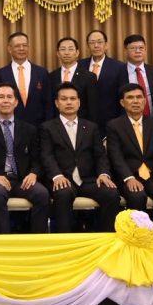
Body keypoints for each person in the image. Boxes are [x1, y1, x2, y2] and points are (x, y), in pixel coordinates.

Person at [39, 82, 120, 233]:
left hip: (88, 180)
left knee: (111, 193)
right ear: (56, 103)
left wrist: (103, 174)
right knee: (63, 193)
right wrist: (57, 176)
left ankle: (106, 239)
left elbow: (100, 155)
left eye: (72, 98)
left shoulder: (91, 127)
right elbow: (46, 155)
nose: (69, 102)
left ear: (79, 102)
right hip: (62, 179)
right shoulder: (47, 127)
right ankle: (66, 241)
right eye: (64, 99)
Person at [0, 83, 49, 233]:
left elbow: (37, 158)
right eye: (1, 97)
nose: (5, 100)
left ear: (16, 102)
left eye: (9, 97)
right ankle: (4, 241)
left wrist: (33, 173)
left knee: (42, 194)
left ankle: (38, 240)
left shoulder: (29, 129)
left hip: (22, 179)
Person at [107, 84, 153, 229]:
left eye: (139, 97)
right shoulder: (114, 126)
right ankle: (138, 236)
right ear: (122, 103)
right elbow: (116, 157)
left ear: (145, 101)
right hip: (128, 178)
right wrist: (129, 178)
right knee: (137, 196)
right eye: (130, 98)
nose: (135, 101)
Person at [0, 32, 52, 126]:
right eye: (17, 46)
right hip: (11, 126)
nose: (21, 48)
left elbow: (48, 103)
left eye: (24, 45)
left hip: (39, 126)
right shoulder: (0, 74)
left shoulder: (42, 72)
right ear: (9, 49)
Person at [81, 29, 126, 134]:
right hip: (84, 122)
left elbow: (123, 96)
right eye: (92, 42)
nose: (96, 45)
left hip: (111, 121)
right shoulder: (79, 66)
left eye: (99, 42)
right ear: (87, 46)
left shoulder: (119, 67)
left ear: (106, 45)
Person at [48, 36, 98, 123]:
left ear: (77, 52)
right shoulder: (51, 76)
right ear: (58, 53)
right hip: (57, 125)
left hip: (82, 124)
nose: (66, 53)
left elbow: (93, 107)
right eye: (63, 49)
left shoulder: (89, 77)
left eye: (70, 49)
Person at [117, 34, 153, 117]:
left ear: (145, 50)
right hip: (126, 121)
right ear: (125, 51)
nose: (138, 51)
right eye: (133, 48)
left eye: (141, 48)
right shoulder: (117, 73)